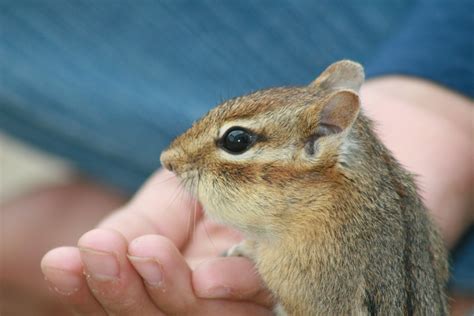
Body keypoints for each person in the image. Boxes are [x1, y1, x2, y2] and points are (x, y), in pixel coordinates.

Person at [1, 1, 472, 315]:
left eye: (237, 143)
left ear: (320, 139)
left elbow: (306, 293)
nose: (171, 160)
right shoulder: (341, 214)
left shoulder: (321, 243)